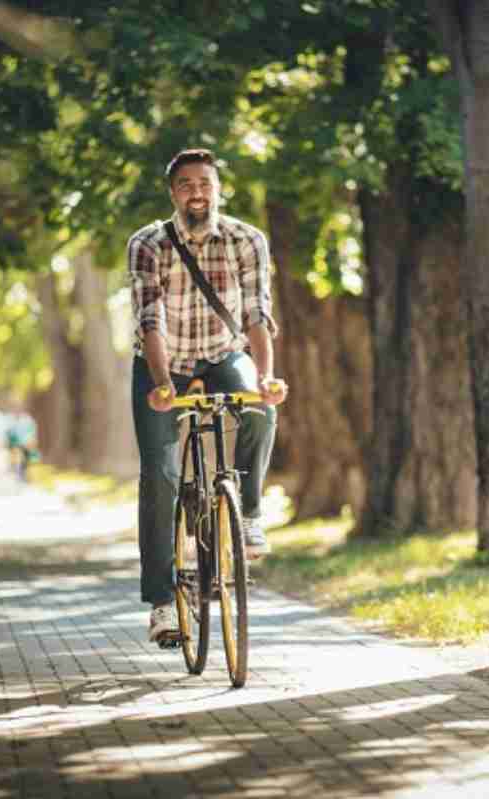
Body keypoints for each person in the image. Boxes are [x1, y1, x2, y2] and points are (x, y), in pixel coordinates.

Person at [127, 148, 288, 645]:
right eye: (186, 184)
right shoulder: (147, 243)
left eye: (205, 183)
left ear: (218, 189)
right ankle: (161, 604)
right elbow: (149, 317)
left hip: (222, 355)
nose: (197, 192)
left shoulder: (246, 239)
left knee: (259, 411)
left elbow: (257, 314)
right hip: (162, 360)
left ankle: (251, 513)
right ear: (172, 192)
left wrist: (265, 377)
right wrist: (161, 384)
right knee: (161, 474)